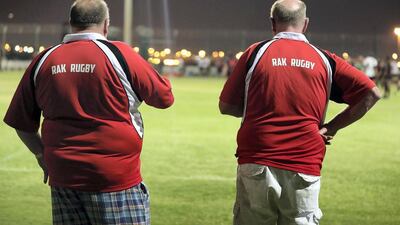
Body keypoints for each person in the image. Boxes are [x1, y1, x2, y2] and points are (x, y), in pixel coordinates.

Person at [3, 0, 174, 224]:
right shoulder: (119, 53)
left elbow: (21, 122)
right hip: (114, 179)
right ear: (106, 24)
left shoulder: (44, 60)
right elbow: (164, 98)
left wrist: (41, 154)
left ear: (72, 23)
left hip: (63, 177)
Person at [218, 0, 381, 224]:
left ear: (272, 23)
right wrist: (331, 127)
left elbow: (226, 106)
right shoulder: (324, 59)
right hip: (304, 161)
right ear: (305, 24)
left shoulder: (255, 52)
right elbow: (372, 93)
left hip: (257, 158)